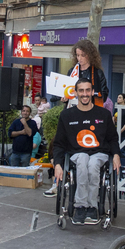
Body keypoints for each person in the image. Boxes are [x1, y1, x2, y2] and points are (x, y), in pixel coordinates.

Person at [50, 79, 121, 225]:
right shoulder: (66, 116)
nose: (84, 94)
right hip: (77, 153)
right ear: (75, 93)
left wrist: (116, 155)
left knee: (93, 162)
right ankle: (81, 206)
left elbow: (113, 138)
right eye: (81, 91)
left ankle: (92, 206)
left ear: (92, 92)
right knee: (82, 159)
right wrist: (57, 164)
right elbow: (59, 143)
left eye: (87, 90)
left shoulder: (104, 114)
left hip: (99, 153)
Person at [70, 39, 109, 106]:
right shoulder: (72, 71)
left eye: (83, 55)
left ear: (90, 55)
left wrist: (93, 95)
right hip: (74, 108)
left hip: (93, 109)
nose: (79, 58)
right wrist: (65, 98)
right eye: (78, 55)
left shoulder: (98, 72)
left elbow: (104, 94)